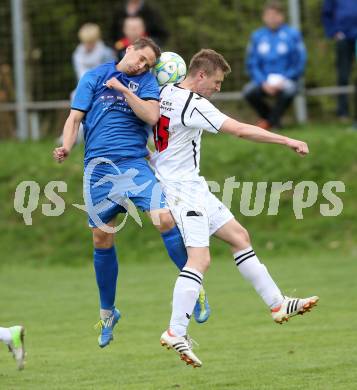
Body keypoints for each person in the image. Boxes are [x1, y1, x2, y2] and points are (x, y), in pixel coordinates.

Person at [147, 49, 318, 367]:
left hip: (191, 185)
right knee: (200, 259)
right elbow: (240, 129)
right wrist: (287, 140)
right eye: (217, 81)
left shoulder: (164, 92)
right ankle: (175, 330)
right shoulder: (194, 104)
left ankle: (278, 304)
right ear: (200, 75)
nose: (218, 88)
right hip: (183, 190)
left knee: (239, 236)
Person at [53, 38, 209, 348]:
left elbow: (151, 117)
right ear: (129, 50)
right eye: (140, 58)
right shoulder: (95, 76)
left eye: (148, 64)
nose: (141, 65)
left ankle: (196, 286)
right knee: (101, 238)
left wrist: (124, 89)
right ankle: (108, 313)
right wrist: (67, 146)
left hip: (133, 166)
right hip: (98, 170)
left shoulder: (146, 83)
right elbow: (74, 118)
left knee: (164, 218)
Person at [243, 1, 306, 130]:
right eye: (268, 15)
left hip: (286, 79)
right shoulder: (257, 36)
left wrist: (284, 79)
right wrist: (262, 82)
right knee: (248, 91)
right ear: (264, 17)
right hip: (264, 80)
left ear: (281, 16)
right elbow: (252, 63)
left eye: (275, 15)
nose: (272, 18)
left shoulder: (293, 35)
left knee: (289, 91)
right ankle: (273, 120)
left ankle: (269, 123)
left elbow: (299, 62)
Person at [322, 0, 357, 121]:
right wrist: (334, 32)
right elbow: (326, 13)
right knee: (343, 75)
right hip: (343, 38)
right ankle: (343, 113)